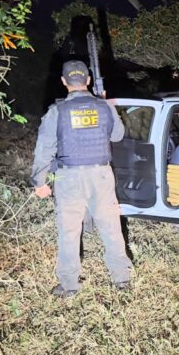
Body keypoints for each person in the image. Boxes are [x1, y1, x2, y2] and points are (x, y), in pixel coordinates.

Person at [31, 60, 133, 298]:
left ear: (64, 82)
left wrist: (40, 182)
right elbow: (118, 136)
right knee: (111, 227)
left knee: (68, 231)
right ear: (87, 81)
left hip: (70, 178)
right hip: (101, 175)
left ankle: (69, 286)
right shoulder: (104, 107)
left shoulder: (57, 112)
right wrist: (106, 104)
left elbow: (44, 149)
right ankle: (122, 280)